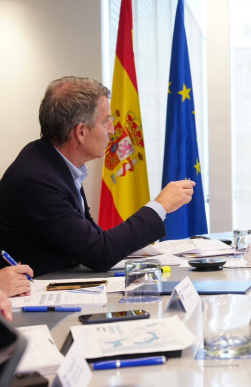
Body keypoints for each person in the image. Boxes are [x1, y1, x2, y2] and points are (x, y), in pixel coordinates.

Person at [0, 76, 196, 276]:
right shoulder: (36, 180)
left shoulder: (53, 161)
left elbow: (93, 237)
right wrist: (160, 206)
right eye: (106, 121)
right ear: (82, 132)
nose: (112, 129)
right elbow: (98, 252)